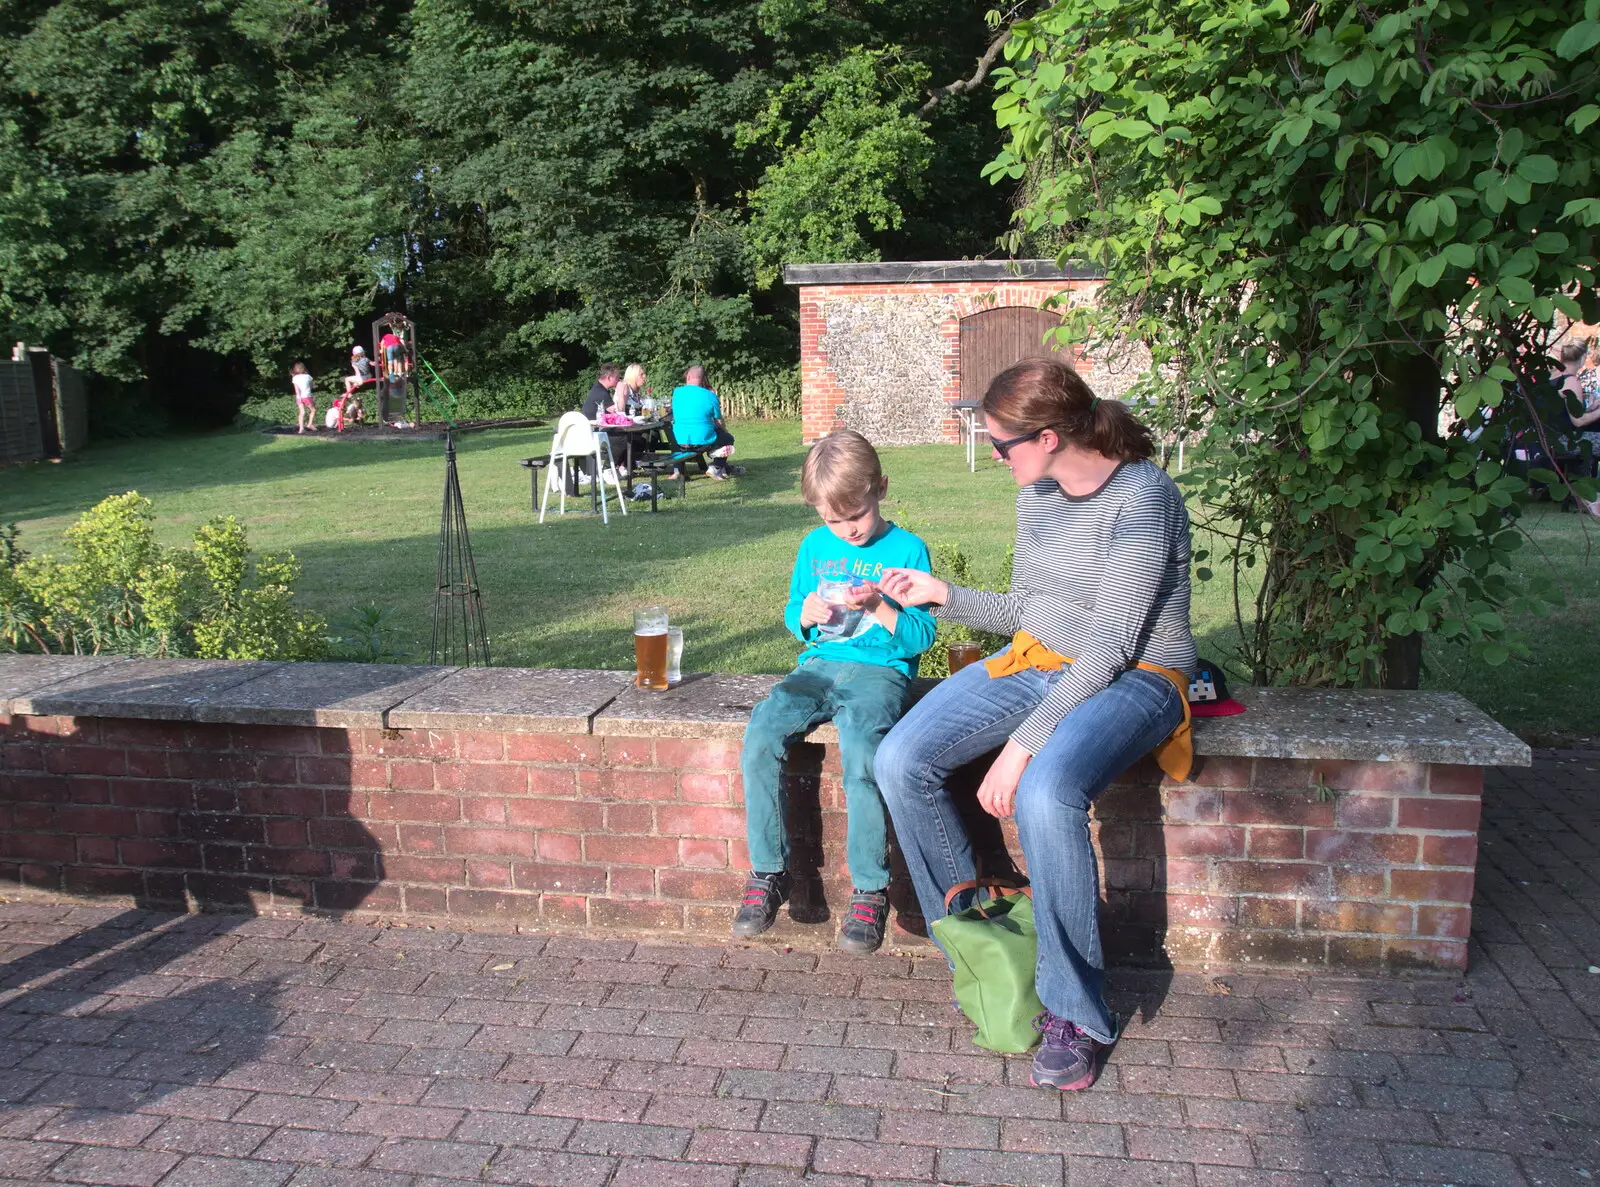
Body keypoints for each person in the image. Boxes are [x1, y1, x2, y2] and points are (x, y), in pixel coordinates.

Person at [873, 358, 1197, 1093]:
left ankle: (1074, 1012)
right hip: (1042, 660)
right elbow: (1030, 612)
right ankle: (981, 939)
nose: (994, 458)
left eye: (1001, 445)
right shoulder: (1040, 494)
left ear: (1048, 436)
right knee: (901, 759)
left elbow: (1113, 645)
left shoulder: (1143, 497)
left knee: (1046, 788)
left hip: (1139, 678)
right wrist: (943, 595)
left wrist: (1022, 745)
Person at [734, 430, 936, 953]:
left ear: (881, 489)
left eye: (857, 515)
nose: (846, 530)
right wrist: (802, 617)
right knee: (761, 733)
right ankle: (767, 871)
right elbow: (795, 607)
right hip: (819, 666)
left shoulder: (907, 549)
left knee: (864, 754)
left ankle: (871, 888)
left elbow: (920, 638)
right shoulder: (813, 546)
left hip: (880, 672)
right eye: (833, 520)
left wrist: (879, 606)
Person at [671, 364, 741, 479]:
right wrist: (724, 429)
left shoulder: (677, 393)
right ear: (703, 379)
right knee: (727, 438)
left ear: (688, 377)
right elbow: (719, 420)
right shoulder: (710, 395)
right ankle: (716, 466)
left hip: (679, 441)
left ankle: (678, 471)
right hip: (703, 442)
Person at [291, 361, 316, 433]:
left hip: (299, 397)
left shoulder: (295, 378)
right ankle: (310, 424)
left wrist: (299, 396)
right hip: (307, 396)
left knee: (302, 412)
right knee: (313, 410)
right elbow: (311, 386)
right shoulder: (308, 377)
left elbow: (296, 389)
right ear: (303, 368)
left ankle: (301, 429)